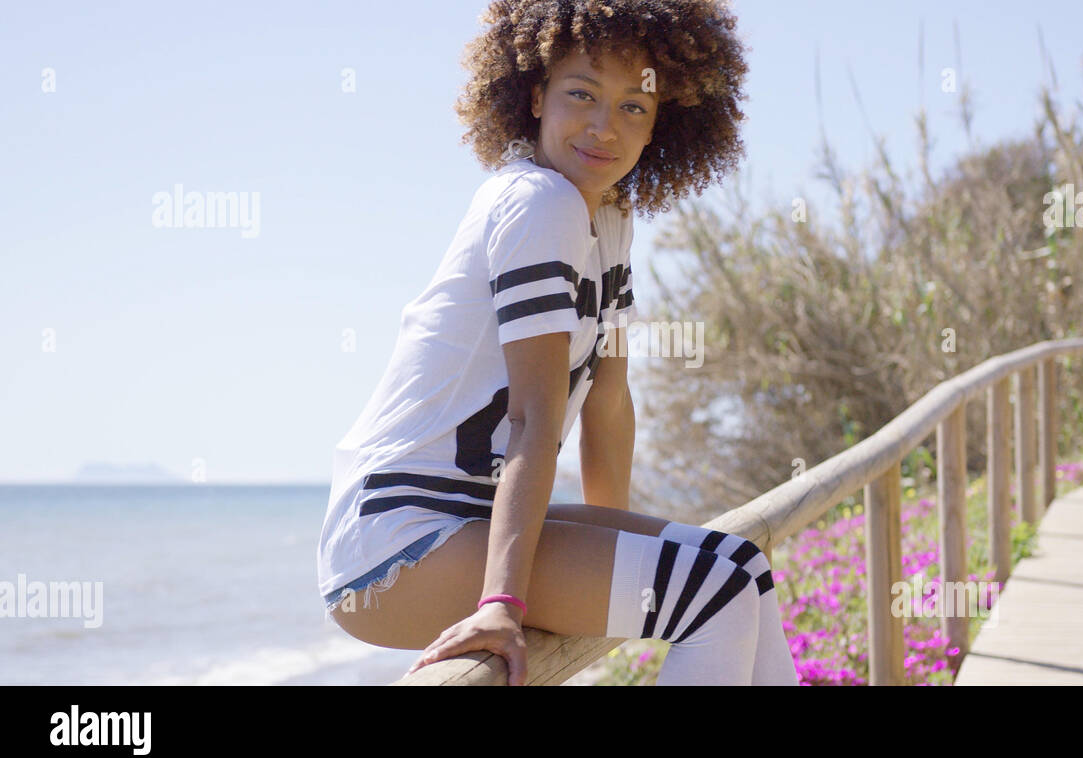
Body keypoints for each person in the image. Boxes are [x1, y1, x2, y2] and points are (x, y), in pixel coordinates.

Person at [317, 0, 797, 686]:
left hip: (473, 518)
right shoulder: (538, 205)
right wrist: (503, 603)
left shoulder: (610, 215)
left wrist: (610, 562)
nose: (606, 126)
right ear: (536, 95)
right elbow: (532, 420)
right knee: (711, 594)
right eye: (582, 94)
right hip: (395, 542)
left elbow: (608, 400)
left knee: (739, 566)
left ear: (662, 123)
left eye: (636, 106)